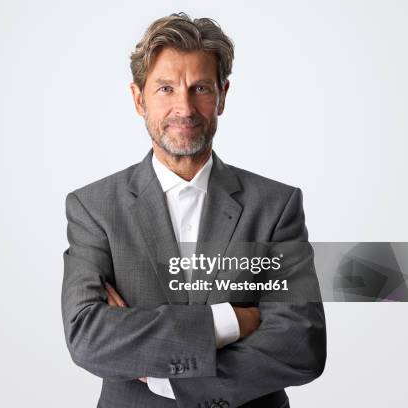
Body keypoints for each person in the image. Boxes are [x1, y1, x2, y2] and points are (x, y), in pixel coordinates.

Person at [61, 13, 326, 408]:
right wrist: (232, 321)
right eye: (165, 88)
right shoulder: (94, 207)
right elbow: (87, 335)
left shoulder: (276, 206)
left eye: (200, 88)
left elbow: (301, 343)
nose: (183, 107)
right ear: (138, 98)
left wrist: (167, 377)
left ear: (222, 95)